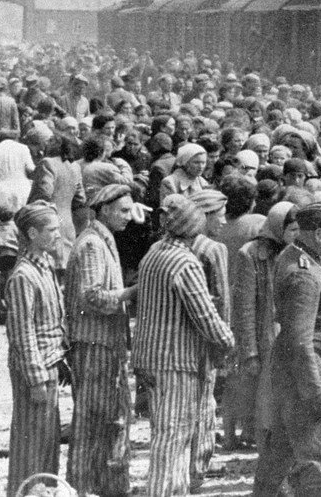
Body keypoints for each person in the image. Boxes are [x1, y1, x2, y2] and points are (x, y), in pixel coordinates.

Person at [132, 194, 236, 495]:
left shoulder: (153, 252)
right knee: (174, 437)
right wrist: (227, 341)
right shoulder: (185, 263)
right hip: (175, 361)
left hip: (148, 357)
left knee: (163, 432)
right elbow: (205, 315)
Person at [253, 201, 321, 497]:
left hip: (294, 373)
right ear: (318, 233)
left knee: (280, 453)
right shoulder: (305, 273)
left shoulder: (295, 258)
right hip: (308, 374)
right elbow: (300, 340)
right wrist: (314, 391)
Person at [65, 184, 138, 497]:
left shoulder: (102, 239)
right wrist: (131, 293)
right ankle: (82, 486)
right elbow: (91, 297)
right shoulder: (93, 244)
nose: (129, 217)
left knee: (106, 419)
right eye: (123, 211)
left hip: (104, 344)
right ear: (104, 209)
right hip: (94, 345)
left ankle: (102, 485)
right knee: (92, 422)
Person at [5, 202, 66, 497]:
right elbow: (22, 333)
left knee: (47, 443)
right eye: (52, 230)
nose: (58, 234)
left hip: (49, 364)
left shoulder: (45, 267)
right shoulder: (23, 277)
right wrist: (36, 379)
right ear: (32, 233)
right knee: (31, 447)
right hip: (36, 372)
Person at [231, 202, 300, 450]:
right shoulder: (250, 254)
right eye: (292, 229)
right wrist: (249, 351)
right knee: (266, 404)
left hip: (293, 336)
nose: (296, 234)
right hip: (266, 337)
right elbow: (244, 308)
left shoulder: (299, 254)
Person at [188, 188, 232, 489]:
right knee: (205, 399)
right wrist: (225, 340)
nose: (224, 221)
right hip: (209, 333)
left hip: (183, 335)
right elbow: (222, 299)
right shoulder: (213, 249)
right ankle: (199, 465)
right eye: (220, 215)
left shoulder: (178, 244)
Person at [28, 135, 86, 267]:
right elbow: (81, 198)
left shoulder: (47, 163)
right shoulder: (75, 166)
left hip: (47, 224)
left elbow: (44, 192)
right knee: (63, 268)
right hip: (67, 224)